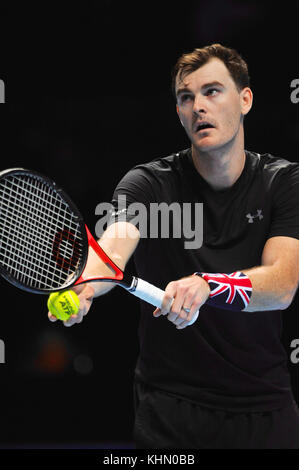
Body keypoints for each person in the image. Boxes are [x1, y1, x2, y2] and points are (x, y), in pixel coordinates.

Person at [49, 44, 299, 449]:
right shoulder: (148, 184)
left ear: (246, 99)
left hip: (264, 408)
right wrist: (87, 286)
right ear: (179, 113)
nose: (199, 106)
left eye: (213, 91)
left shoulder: (284, 183)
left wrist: (208, 285)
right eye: (187, 98)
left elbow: (283, 284)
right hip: (171, 412)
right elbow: (112, 250)